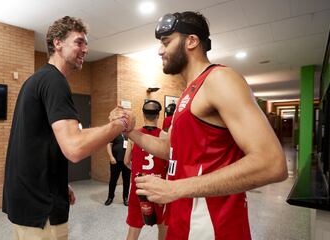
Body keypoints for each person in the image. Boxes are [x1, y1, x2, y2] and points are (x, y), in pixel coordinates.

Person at [123, 11, 288, 239]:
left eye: (166, 42)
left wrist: (176, 188)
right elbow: (171, 150)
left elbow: (272, 164)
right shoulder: (188, 93)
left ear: (191, 41)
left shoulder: (220, 79)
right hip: (182, 221)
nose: (160, 50)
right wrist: (130, 132)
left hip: (213, 227)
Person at [2, 16, 130, 240]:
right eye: (79, 42)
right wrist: (120, 124)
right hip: (41, 208)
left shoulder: (37, 80)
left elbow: (38, 144)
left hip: (30, 199)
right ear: (58, 43)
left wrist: (61, 184)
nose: (85, 49)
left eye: (86, 44)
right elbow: (75, 148)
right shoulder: (54, 81)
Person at [124, 100, 168, 240]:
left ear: (143, 114)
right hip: (158, 187)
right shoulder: (164, 137)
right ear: (158, 115)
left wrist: (136, 170)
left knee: (133, 230)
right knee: (163, 227)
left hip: (139, 186)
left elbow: (126, 161)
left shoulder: (134, 135)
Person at [104, 134, 131, 206]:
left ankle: (125, 198)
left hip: (127, 162)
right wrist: (111, 157)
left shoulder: (129, 135)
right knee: (113, 180)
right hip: (115, 161)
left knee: (127, 181)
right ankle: (110, 197)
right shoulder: (115, 133)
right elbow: (108, 145)